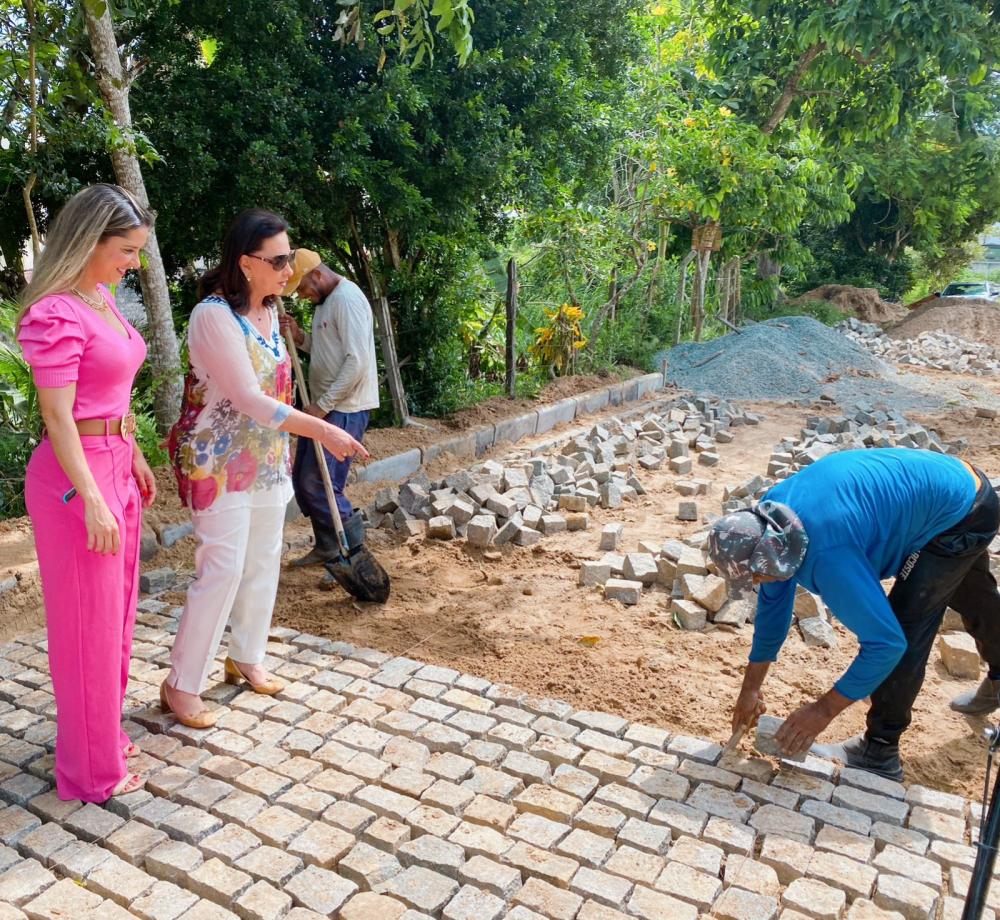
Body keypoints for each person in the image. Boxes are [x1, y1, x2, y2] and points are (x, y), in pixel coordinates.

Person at [164, 210, 368, 728]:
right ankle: (181, 682)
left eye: (289, 258)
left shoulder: (272, 313)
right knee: (223, 569)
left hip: (268, 458)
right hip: (219, 459)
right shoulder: (212, 316)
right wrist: (322, 428)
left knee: (263, 560)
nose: (288, 269)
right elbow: (251, 399)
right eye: (278, 261)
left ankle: (246, 656)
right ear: (246, 263)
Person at [708, 447, 1000, 782]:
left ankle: (879, 749)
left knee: (907, 622)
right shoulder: (772, 526)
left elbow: (886, 644)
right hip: (954, 487)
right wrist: (751, 688)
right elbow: (773, 610)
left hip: (961, 515)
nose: (759, 584)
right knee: (975, 598)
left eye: (757, 577)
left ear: (769, 559)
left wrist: (822, 710)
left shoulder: (829, 557)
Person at [18, 183, 156, 801]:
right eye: (126, 250)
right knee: (85, 627)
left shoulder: (99, 297)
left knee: (116, 618)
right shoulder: (54, 311)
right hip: (76, 481)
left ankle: (101, 735)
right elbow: (58, 417)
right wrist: (94, 497)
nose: (134, 263)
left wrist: (136, 455)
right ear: (88, 239)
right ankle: (90, 773)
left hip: (116, 462)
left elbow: (113, 393)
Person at [278, 250, 380, 567]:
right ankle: (328, 547)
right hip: (322, 408)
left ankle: (354, 557)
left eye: (303, 288)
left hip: (343, 408)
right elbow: (326, 350)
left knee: (322, 484)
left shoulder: (347, 300)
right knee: (305, 480)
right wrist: (299, 337)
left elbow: (356, 363)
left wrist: (322, 407)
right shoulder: (327, 302)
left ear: (317, 275)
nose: (303, 296)